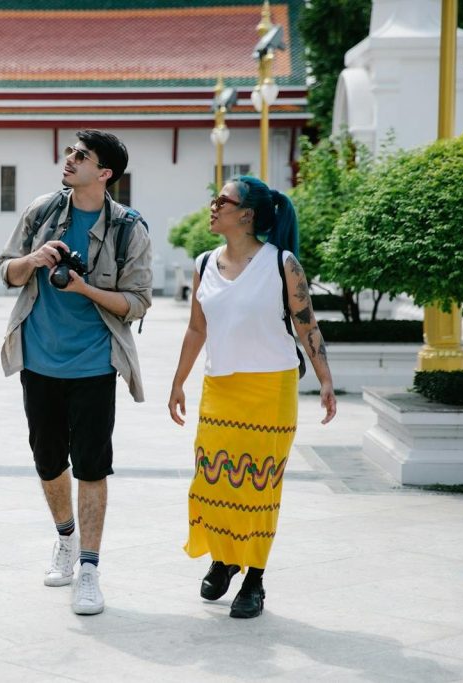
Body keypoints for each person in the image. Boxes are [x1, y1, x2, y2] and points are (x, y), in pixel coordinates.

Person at [167, 176, 337, 619]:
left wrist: (325, 379)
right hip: (220, 388)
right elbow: (197, 328)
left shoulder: (282, 263)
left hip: (270, 389)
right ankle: (224, 559)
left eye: (221, 200)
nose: (212, 205)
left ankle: (254, 579)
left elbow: (306, 324)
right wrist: (178, 381)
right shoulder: (204, 263)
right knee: (214, 482)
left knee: (259, 488)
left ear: (246, 215)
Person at [0, 130, 153, 615]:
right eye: (70, 151)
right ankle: (65, 538)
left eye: (81, 156)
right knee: (47, 461)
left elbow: (137, 303)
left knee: (91, 465)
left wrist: (86, 290)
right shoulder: (43, 211)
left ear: (104, 173)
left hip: (93, 365)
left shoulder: (129, 229)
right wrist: (33, 259)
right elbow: (7, 271)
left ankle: (89, 567)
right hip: (39, 360)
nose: (69, 160)